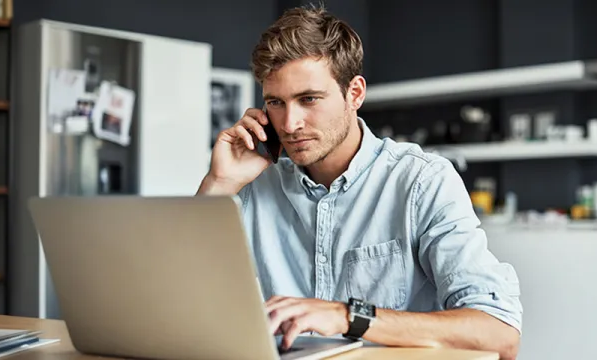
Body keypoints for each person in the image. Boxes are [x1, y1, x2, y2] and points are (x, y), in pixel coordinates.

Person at [195, 5, 522, 359]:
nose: (289, 124)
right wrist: (219, 184)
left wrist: (348, 316)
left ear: (355, 94)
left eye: (309, 99)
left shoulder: (422, 182)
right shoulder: (251, 188)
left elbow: (498, 333)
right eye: (276, 102)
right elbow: (173, 298)